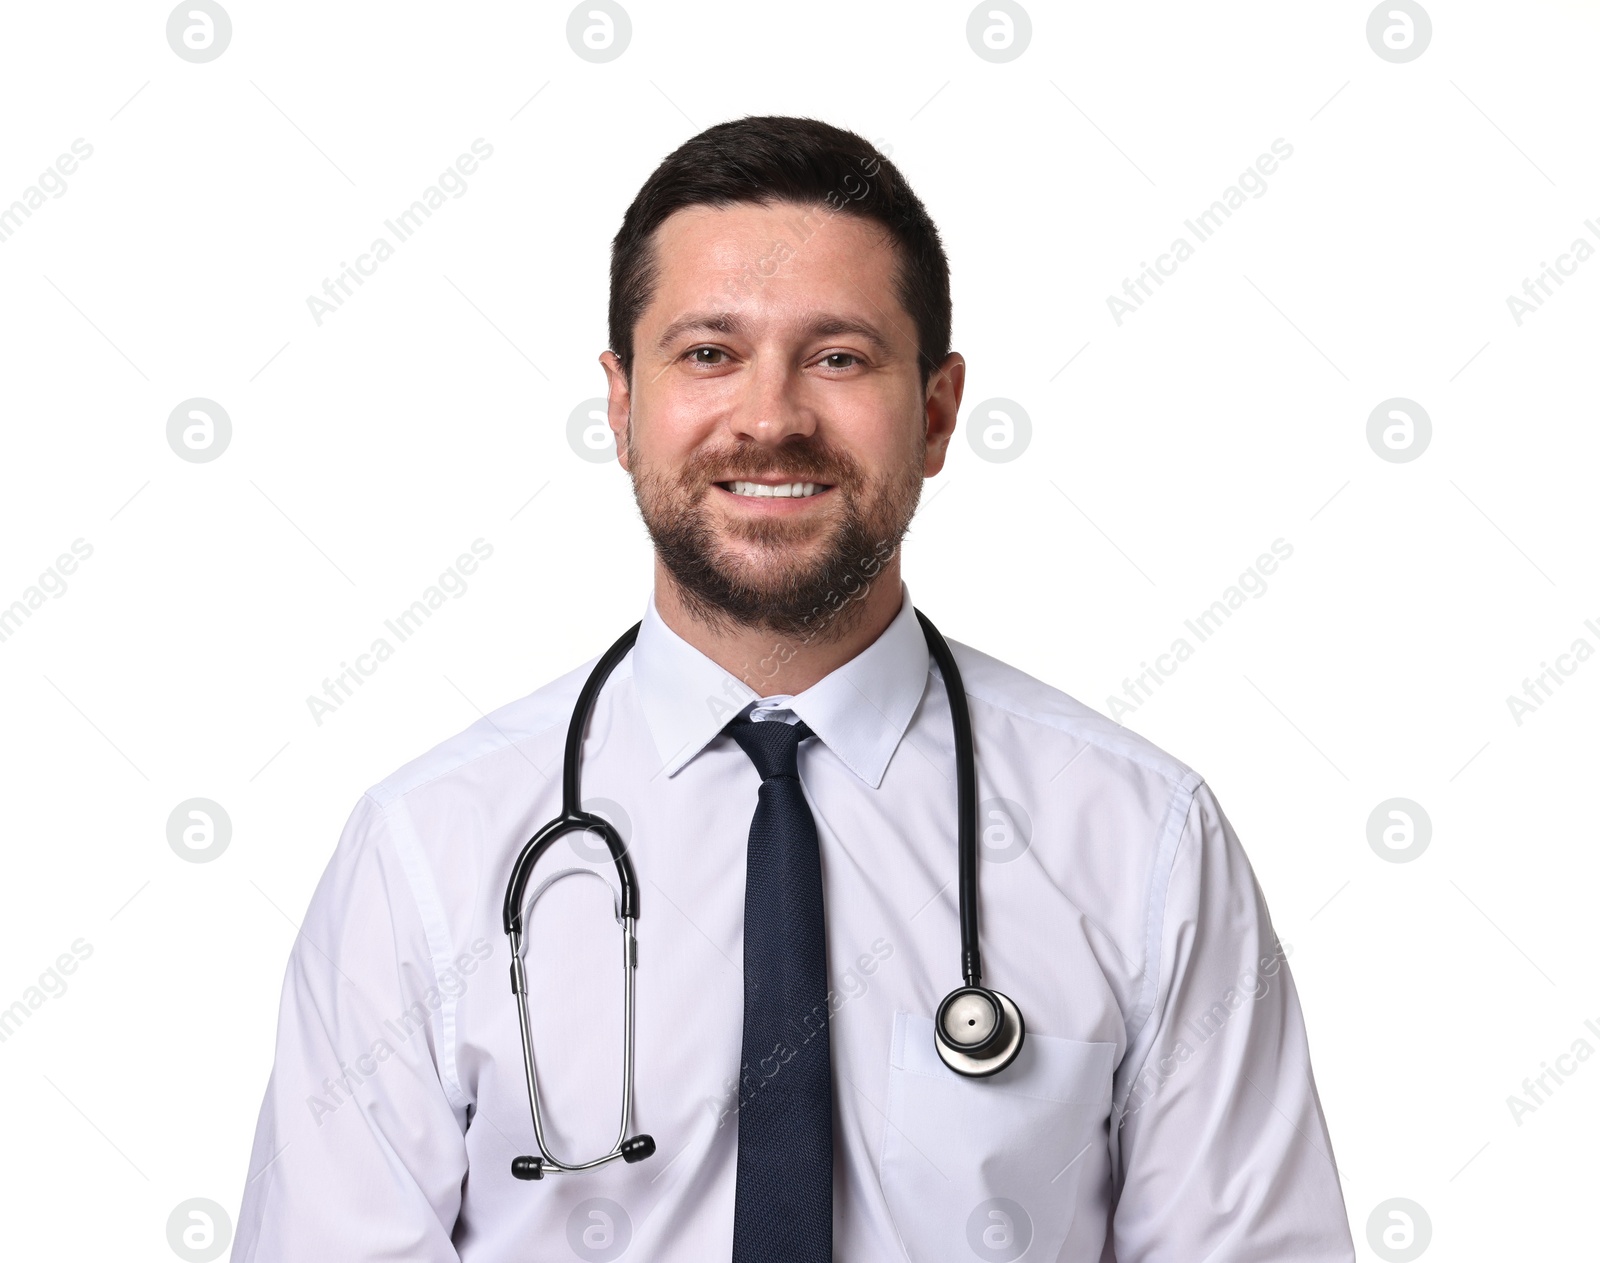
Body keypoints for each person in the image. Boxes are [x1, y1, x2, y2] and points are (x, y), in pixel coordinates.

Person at [232, 115, 1355, 1262]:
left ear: (935, 411)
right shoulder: (426, 849)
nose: (769, 419)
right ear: (621, 406)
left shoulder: (1137, 839)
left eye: (838, 357)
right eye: (709, 354)